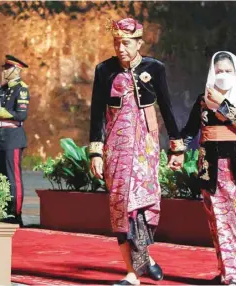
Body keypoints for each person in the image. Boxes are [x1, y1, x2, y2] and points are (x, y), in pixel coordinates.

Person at [88, 18, 183, 285]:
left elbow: (166, 107)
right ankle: (132, 272)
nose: (121, 48)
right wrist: (96, 152)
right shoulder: (104, 70)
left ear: (139, 43)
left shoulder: (155, 68)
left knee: (142, 206)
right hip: (116, 149)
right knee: (121, 207)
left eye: (126, 43)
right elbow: (97, 114)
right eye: (117, 43)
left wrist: (176, 147)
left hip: (146, 148)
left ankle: (145, 259)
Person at [176, 51, 236, 285]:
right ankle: (225, 272)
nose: (223, 75)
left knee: (235, 219)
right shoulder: (202, 100)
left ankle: (233, 275)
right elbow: (190, 131)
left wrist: (221, 105)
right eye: (219, 71)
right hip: (209, 167)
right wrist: (176, 150)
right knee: (217, 221)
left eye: (228, 71)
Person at [0, 55, 30, 226]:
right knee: (1, 177)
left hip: (13, 137)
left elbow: (21, 115)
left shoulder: (21, 89)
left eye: (8, 68)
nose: (5, 71)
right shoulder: (3, 88)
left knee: (13, 178)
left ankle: (15, 213)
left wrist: (0, 111)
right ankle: (4, 210)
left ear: (17, 70)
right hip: (1, 136)